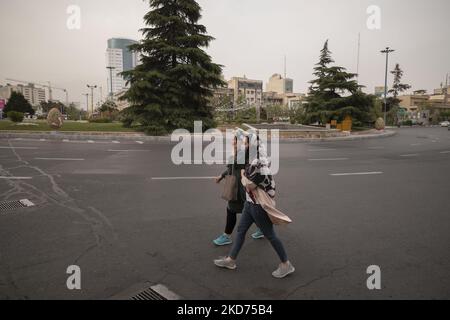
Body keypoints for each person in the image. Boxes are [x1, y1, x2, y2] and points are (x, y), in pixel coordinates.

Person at [214, 134, 295, 279]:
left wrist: (244, 176)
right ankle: (231, 260)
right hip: (249, 203)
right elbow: (236, 170)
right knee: (240, 231)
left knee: (270, 235)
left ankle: (286, 264)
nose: (243, 146)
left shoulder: (260, 163)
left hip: (258, 205)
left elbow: (250, 185)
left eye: (245, 144)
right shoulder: (251, 161)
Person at [213, 133, 264, 246]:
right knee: (247, 211)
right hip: (235, 186)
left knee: (233, 210)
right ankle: (263, 229)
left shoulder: (245, 154)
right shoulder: (239, 153)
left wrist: (235, 151)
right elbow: (230, 169)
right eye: (233, 140)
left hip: (240, 188)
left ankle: (227, 236)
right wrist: (221, 177)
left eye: (236, 141)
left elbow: (234, 164)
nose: (233, 142)